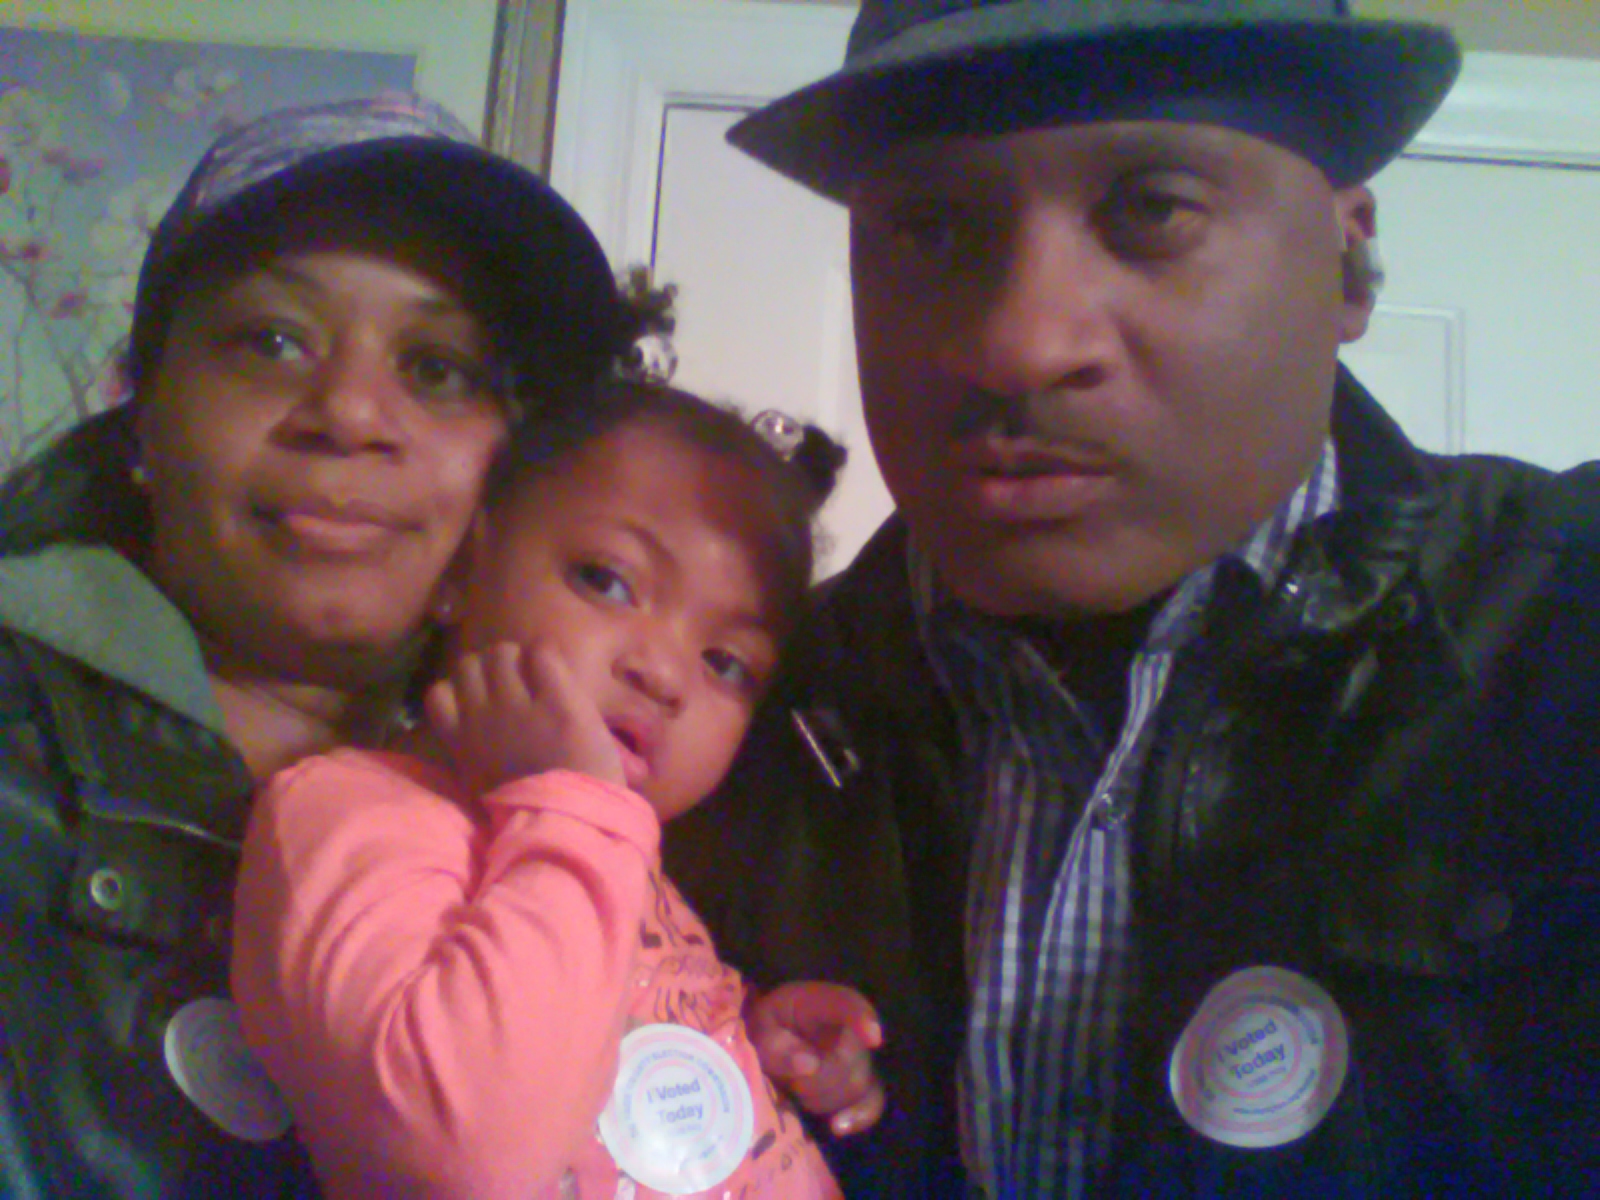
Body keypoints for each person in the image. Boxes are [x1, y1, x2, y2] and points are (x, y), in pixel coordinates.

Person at [662, 2, 1600, 1196]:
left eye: (1152, 209)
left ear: (1345, 258)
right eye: (929, 227)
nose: (1018, 343)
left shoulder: (1561, 622)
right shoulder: (727, 714)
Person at [0, 94, 628, 1196]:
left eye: (436, 367)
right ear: (142, 416)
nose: (349, 413)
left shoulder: (576, 791)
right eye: (273, 342)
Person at [231, 381, 884, 1199]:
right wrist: (571, 803)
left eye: (727, 664)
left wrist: (753, 1038)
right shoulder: (352, 812)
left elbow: (607, 1033)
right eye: (606, 581)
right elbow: (460, 1151)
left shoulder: (615, 851)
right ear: (465, 567)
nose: (663, 672)